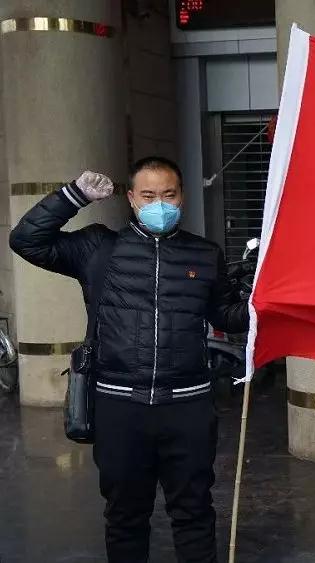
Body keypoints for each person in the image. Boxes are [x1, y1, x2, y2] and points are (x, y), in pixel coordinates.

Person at [9, 157, 249, 563]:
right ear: (132, 199)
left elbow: (226, 315)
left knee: (194, 513)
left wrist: (261, 303)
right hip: (120, 407)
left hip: (188, 407)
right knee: (125, 516)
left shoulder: (204, 254)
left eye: (169, 194)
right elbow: (26, 240)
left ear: (182, 197)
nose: (160, 204)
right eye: (149, 195)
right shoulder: (98, 248)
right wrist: (73, 196)